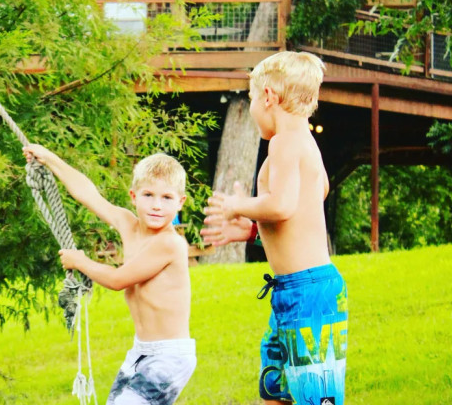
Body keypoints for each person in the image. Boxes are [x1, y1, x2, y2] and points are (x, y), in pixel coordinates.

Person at [200, 51, 348, 405]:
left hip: (308, 292)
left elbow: (282, 206)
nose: (251, 109)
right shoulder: (306, 146)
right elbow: (305, 210)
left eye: (251, 99)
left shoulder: (284, 143)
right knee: (276, 390)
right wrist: (251, 232)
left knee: (314, 397)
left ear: (268, 96)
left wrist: (238, 206)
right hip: (295, 290)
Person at [23, 145, 197, 405]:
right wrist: (50, 160)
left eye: (167, 198)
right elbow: (89, 195)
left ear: (180, 202)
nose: (156, 205)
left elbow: (118, 280)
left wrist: (81, 261)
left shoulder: (169, 244)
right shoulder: (129, 224)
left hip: (169, 356)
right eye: (148, 195)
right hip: (141, 351)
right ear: (133, 196)